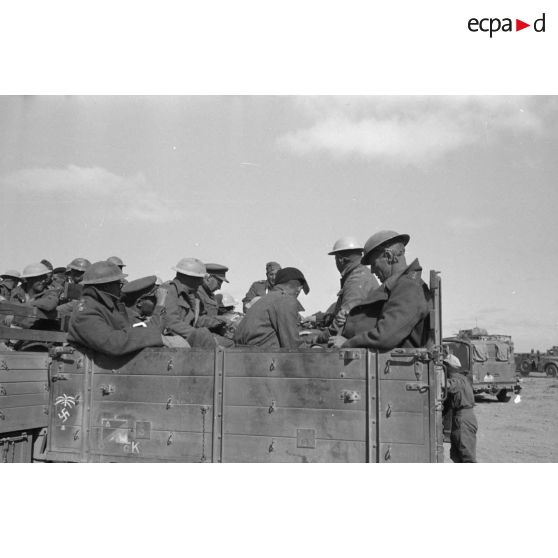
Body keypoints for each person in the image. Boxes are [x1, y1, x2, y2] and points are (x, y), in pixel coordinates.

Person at [333, 230, 431, 351]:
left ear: (389, 256)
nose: (373, 271)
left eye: (374, 264)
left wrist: (348, 343)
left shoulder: (409, 287)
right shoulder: (398, 286)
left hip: (392, 366)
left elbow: (385, 336)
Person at [67, 261, 166, 356]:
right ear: (106, 286)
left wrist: (160, 306)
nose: (120, 289)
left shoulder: (111, 306)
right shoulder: (85, 311)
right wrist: (150, 336)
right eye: (118, 284)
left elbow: (146, 328)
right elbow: (113, 344)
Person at [306, 236, 379, 345]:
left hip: (355, 342)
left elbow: (342, 320)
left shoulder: (356, 280)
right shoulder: (358, 275)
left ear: (340, 259)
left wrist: (318, 338)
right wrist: (319, 319)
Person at [234, 267, 310, 349]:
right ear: (299, 288)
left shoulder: (264, 299)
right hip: (264, 357)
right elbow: (292, 345)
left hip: (244, 354)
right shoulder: (285, 299)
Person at [161, 257, 223, 348]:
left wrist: (220, 320)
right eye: (199, 278)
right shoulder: (168, 291)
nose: (202, 282)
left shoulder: (192, 295)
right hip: (172, 338)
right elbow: (171, 323)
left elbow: (197, 320)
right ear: (189, 278)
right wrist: (197, 334)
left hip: (185, 336)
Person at [121, 275, 189, 347]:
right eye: (155, 298)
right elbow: (154, 333)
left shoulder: (135, 317)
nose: (157, 301)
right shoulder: (128, 320)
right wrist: (160, 304)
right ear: (139, 303)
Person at [444, 354, 478, 463]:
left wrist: (437, 375)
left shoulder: (457, 380)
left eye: (444, 365)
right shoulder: (462, 378)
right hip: (461, 417)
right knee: (456, 454)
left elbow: (446, 385)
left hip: (463, 419)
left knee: (466, 456)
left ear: (449, 367)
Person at [11, 262, 61, 328]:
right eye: (40, 278)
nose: (43, 281)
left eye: (44, 278)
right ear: (30, 279)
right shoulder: (17, 292)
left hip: (41, 333)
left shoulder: (50, 292)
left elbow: (50, 304)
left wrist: (29, 304)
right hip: (16, 332)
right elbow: (11, 311)